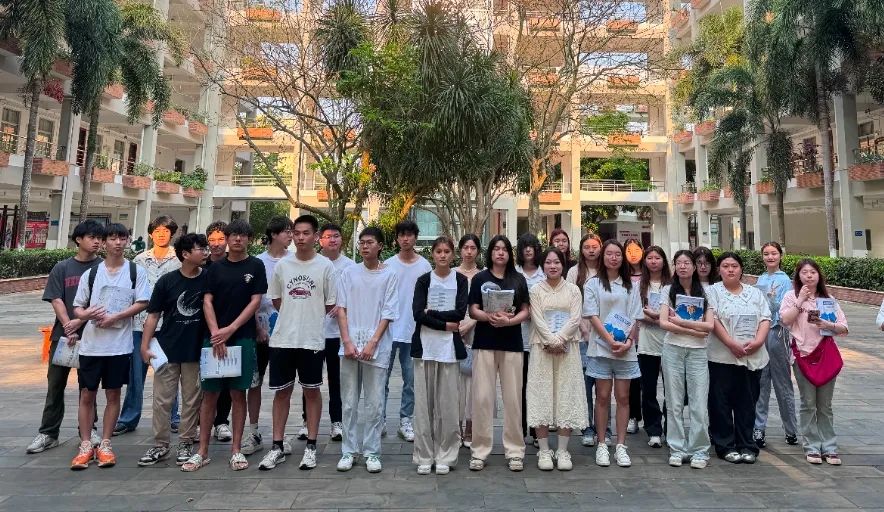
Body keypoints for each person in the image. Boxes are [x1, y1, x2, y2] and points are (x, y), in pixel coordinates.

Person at [258, 215, 337, 471]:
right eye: (297, 233)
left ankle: (311, 446)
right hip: (283, 338)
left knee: (311, 391)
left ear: (316, 236)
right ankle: (277, 446)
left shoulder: (325, 266)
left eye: (306, 233)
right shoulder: (283, 266)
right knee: (281, 392)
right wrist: (293, 316)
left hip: (312, 339)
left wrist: (307, 317)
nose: (300, 238)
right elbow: (277, 300)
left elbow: (330, 303)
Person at [70, 223, 150, 470]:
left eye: (122, 238)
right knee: (87, 394)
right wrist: (87, 315)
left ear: (127, 241)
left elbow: (143, 301)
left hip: (119, 346)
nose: (118, 243)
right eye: (112, 238)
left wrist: (116, 316)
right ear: (104, 243)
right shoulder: (92, 274)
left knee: (113, 394)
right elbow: (78, 307)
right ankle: (86, 444)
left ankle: (105, 444)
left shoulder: (136, 271)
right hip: (91, 346)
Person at [191, 219, 267, 472]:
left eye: (242, 235)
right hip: (213, 339)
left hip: (242, 337)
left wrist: (231, 329)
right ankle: (202, 451)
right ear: (226, 238)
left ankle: (236, 449)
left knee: (237, 393)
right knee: (209, 395)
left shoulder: (256, 266)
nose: (237, 239)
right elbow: (207, 301)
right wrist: (216, 333)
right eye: (233, 235)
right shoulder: (214, 268)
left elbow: (255, 301)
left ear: (249, 239)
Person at [27, 220, 104, 454]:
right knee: (55, 385)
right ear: (78, 239)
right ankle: (48, 433)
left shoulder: (103, 268)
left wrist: (78, 323)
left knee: (88, 387)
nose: (97, 242)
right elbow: (56, 298)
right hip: (62, 337)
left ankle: (89, 431)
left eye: (99, 238)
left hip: (92, 335)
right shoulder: (62, 268)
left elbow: (102, 302)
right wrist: (68, 327)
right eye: (92, 237)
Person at [137, 233, 208, 467]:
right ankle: (161, 444)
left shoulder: (208, 279)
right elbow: (153, 315)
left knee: (192, 399)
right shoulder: (167, 281)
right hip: (166, 349)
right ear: (185, 254)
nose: (205, 252)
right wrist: (145, 346)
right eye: (200, 249)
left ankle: (186, 442)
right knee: (162, 400)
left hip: (195, 350)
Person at [335, 227, 399, 473]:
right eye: (361, 242)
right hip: (350, 344)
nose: (364, 246)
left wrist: (373, 342)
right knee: (349, 402)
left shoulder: (389, 275)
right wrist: (347, 341)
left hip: (377, 345)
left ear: (380, 246)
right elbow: (341, 308)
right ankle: (348, 451)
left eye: (370, 242)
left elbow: (389, 312)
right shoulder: (349, 273)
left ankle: (372, 451)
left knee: (374, 402)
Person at [468, 235, 530, 472]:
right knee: (482, 398)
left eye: (504, 249)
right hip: (484, 342)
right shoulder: (480, 278)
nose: (500, 253)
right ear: (491, 253)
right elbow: (472, 309)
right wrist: (488, 316)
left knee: (513, 399)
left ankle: (515, 451)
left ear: (509, 254)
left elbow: (526, 310)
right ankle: (479, 451)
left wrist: (510, 321)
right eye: (496, 249)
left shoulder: (518, 279)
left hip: (512, 344)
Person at [116, 216, 181, 436]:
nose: (162, 235)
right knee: (136, 374)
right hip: (140, 324)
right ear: (151, 234)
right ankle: (128, 418)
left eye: (166, 231)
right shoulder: (140, 260)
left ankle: (173, 417)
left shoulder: (179, 259)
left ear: (172, 234)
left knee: (169, 374)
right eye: (158, 231)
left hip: (168, 326)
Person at [779, 259, 848, 465]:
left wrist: (827, 324)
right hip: (802, 354)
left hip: (825, 355)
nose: (809, 276)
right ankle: (811, 446)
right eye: (804, 272)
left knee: (825, 405)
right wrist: (800, 300)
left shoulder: (828, 299)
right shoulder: (791, 296)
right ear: (798, 276)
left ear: (819, 275)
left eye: (813, 272)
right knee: (808, 403)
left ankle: (830, 447)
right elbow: (785, 320)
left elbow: (844, 327)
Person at [411, 236, 469, 475]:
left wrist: (431, 313)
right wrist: (445, 324)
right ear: (432, 254)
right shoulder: (424, 280)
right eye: (438, 251)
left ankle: (446, 455)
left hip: (449, 350)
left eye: (447, 251)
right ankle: (424, 455)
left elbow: (459, 313)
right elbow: (417, 314)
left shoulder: (461, 280)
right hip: (425, 348)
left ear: (453, 254)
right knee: (424, 407)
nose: (443, 255)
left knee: (448, 406)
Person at [583, 239, 643, 468]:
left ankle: (621, 446)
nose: (614, 257)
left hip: (625, 350)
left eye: (618, 254)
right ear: (603, 256)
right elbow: (592, 315)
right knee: (602, 396)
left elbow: (636, 316)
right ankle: (601, 444)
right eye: (609, 253)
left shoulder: (631, 285)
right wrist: (609, 340)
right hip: (601, 348)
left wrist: (628, 342)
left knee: (624, 397)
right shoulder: (593, 283)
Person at [527, 248, 587, 471]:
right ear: (542, 265)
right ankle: (544, 450)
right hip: (541, 348)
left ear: (563, 265)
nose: (552, 266)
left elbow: (575, 318)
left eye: (557, 262)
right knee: (541, 394)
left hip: (567, 348)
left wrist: (559, 339)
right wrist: (551, 341)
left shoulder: (573, 290)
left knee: (566, 394)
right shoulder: (535, 290)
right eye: (548, 262)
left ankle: (562, 450)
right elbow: (537, 318)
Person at [707, 252, 771, 464]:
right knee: (720, 403)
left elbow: (765, 318)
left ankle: (747, 445)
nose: (730, 269)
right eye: (725, 266)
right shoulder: (711, 292)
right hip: (722, 357)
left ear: (741, 269)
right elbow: (713, 319)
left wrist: (759, 341)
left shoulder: (754, 293)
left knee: (747, 403)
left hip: (751, 357)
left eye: (734, 265)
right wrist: (730, 343)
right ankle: (725, 445)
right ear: (719, 270)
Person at [658, 250, 715, 469]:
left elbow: (709, 326)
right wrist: (695, 330)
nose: (683, 266)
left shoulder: (706, 292)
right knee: (674, 401)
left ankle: (699, 449)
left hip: (698, 352)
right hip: (672, 349)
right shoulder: (667, 290)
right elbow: (664, 322)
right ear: (674, 266)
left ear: (694, 267)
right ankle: (677, 448)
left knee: (699, 402)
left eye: (687, 262)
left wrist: (680, 322)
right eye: (679, 263)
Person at [243, 216, 293, 457]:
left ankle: (280, 435)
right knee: (254, 383)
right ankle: (253, 432)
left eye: (292, 231)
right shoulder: (257, 263)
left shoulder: (295, 261)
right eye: (286, 231)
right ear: (273, 234)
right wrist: (257, 327)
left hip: (287, 334)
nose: (291, 235)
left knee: (284, 385)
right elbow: (250, 299)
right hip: (259, 332)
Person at [383, 220, 431, 442]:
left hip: (414, 331)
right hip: (388, 330)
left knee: (410, 380)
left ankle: (406, 420)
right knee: (381, 379)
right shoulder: (387, 265)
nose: (405, 239)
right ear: (396, 238)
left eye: (409, 235)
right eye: (401, 235)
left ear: (415, 238)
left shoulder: (424, 266)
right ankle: (380, 420)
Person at [307, 223, 355, 442]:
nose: (332, 240)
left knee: (337, 380)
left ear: (342, 240)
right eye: (328, 236)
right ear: (320, 240)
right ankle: (307, 421)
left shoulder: (350, 266)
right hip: (314, 332)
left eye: (336, 236)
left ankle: (337, 421)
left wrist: (343, 306)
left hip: (338, 334)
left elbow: (357, 296)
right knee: (310, 380)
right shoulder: (312, 263)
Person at [753, 241, 799, 448]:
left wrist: (772, 301)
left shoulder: (785, 281)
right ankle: (758, 428)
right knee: (761, 382)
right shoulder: (761, 279)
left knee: (782, 383)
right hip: (760, 333)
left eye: (774, 253)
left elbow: (785, 310)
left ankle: (790, 429)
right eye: (766, 254)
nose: (770, 257)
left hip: (778, 333)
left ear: (780, 256)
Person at [567, 233, 609, 447]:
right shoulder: (574, 272)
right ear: (581, 250)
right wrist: (583, 330)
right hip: (581, 335)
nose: (591, 250)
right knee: (585, 384)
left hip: (605, 335)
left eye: (595, 246)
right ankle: (587, 428)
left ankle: (605, 428)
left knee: (604, 386)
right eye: (587, 247)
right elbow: (569, 303)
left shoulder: (607, 270)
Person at [636, 245, 671, 448]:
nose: (654, 261)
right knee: (648, 390)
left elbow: (676, 313)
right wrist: (659, 319)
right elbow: (635, 312)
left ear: (663, 261)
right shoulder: (639, 285)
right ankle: (653, 429)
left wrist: (658, 318)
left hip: (670, 343)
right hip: (647, 344)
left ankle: (670, 427)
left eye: (657, 258)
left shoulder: (672, 285)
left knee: (672, 390)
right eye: (650, 258)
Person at [204, 220, 233, 443]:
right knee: (204, 380)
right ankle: (200, 422)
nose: (216, 244)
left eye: (221, 239)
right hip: (203, 330)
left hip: (230, 329)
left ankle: (222, 421)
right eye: (212, 240)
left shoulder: (236, 264)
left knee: (226, 377)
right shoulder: (200, 265)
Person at [515, 233, 544, 447]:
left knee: (537, 386)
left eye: (531, 246)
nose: (528, 250)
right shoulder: (514, 272)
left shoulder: (544, 272)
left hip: (539, 338)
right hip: (517, 336)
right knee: (519, 386)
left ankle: (536, 431)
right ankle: (519, 430)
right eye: (524, 246)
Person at [454, 234, 482, 448]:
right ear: (460, 250)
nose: (469, 251)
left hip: (477, 329)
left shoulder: (483, 276)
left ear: (478, 251)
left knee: (474, 380)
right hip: (453, 329)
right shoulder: (451, 274)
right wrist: (456, 326)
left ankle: (471, 427)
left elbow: (487, 305)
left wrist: (470, 323)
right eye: (466, 247)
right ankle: (456, 428)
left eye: (473, 248)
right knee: (454, 381)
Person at [623, 239, 644, 436]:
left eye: (636, 250)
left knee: (647, 380)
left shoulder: (648, 274)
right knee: (632, 380)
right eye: (629, 250)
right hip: (629, 333)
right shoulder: (622, 275)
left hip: (648, 333)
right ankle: (633, 416)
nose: (633, 253)